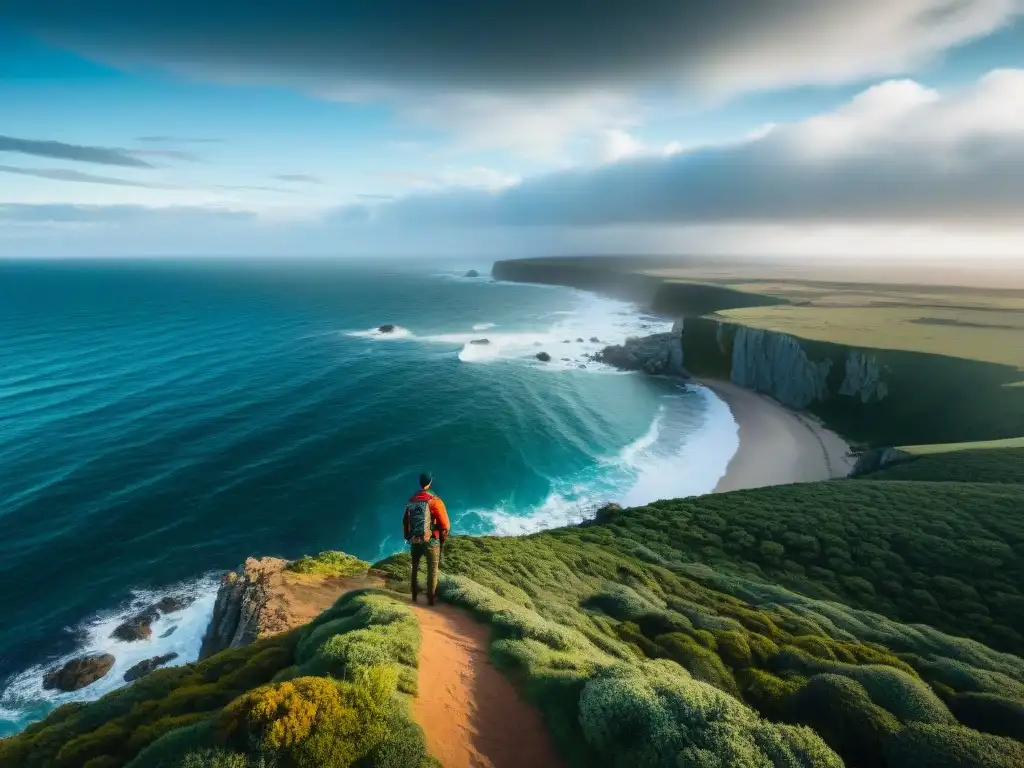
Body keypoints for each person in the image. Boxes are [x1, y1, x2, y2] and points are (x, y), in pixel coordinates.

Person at [403, 472, 450, 605]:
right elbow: (445, 525)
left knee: (415, 567)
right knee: (432, 570)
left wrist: (408, 537)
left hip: (415, 540)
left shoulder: (411, 500)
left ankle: (413, 596)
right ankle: (430, 599)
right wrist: (442, 539)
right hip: (431, 540)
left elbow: (405, 521)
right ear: (430, 482)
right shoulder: (434, 500)